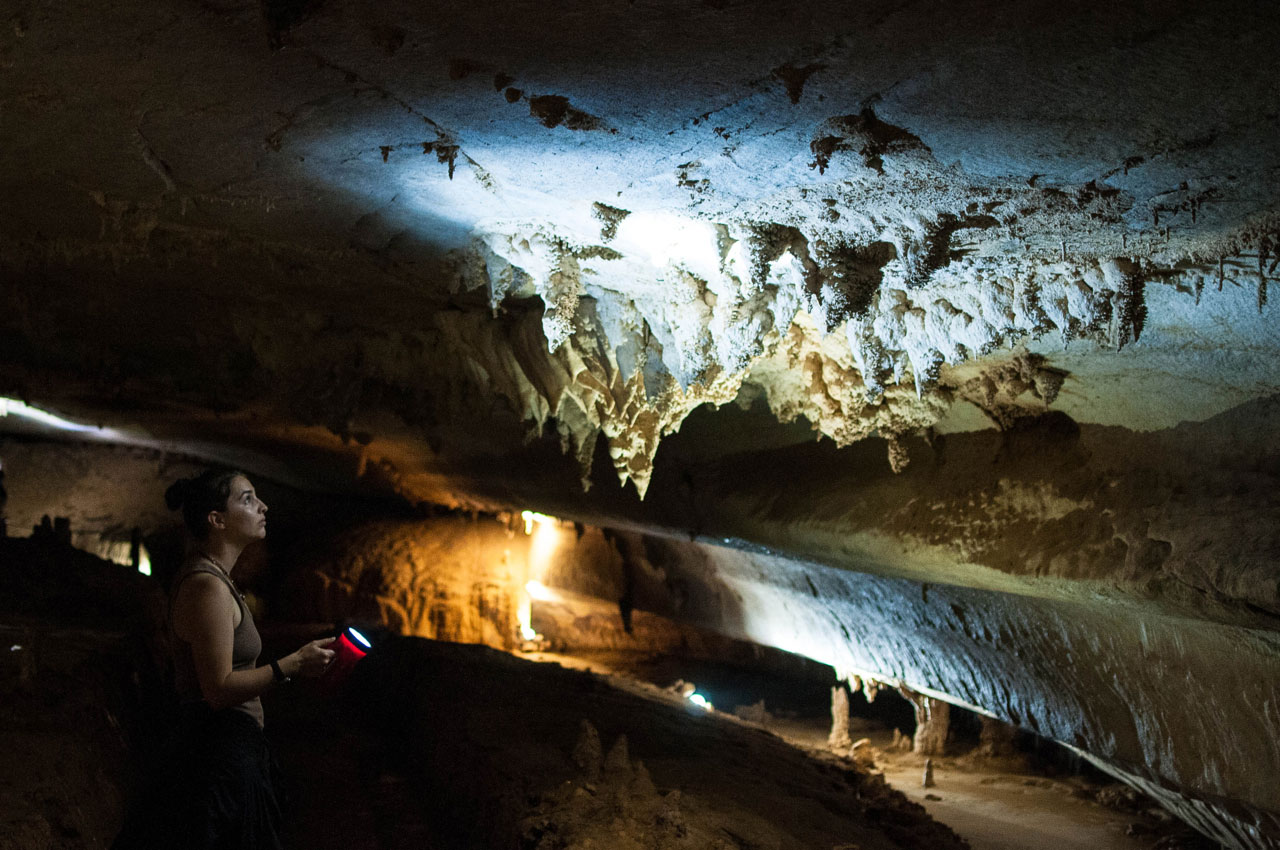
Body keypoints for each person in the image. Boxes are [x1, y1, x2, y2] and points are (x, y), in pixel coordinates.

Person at [114, 468, 334, 850]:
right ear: (217, 519)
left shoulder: (217, 579)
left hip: (228, 747)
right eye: (247, 499)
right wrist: (292, 664)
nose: (263, 506)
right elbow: (218, 689)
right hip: (216, 753)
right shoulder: (206, 587)